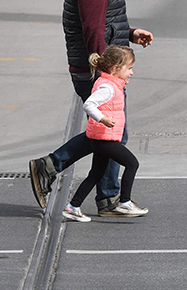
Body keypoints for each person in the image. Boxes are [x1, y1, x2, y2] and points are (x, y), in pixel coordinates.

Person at [29, 0, 154, 216]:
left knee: (108, 135)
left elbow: (106, 25)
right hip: (97, 72)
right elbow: (93, 32)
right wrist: (105, 74)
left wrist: (130, 34)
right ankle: (51, 166)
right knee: (109, 135)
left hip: (100, 68)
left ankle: (107, 198)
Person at [62, 45, 148, 222]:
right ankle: (124, 202)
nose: (131, 73)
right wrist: (103, 119)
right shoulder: (108, 88)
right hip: (103, 138)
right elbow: (89, 104)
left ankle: (73, 206)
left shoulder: (111, 84)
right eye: (129, 68)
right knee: (132, 164)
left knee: (96, 173)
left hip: (103, 137)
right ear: (116, 69)